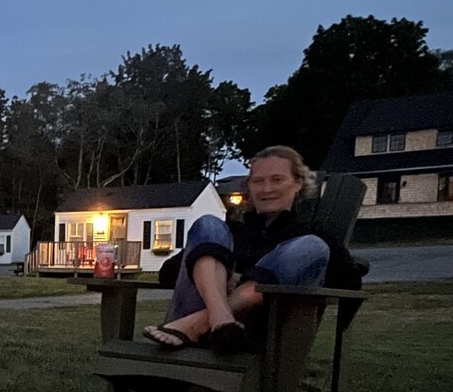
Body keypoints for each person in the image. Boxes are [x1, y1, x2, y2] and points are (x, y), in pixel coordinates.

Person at [143, 145, 362, 351]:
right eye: (258, 181)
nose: (267, 189)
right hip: (188, 321)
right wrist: (222, 274)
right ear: (250, 186)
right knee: (208, 223)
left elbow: (349, 280)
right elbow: (168, 273)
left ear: (298, 183)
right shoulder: (229, 233)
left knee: (312, 246)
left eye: (277, 179)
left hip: (255, 335)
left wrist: (245, 279)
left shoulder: (312, 233)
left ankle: (201, 322)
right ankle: (219, 319)